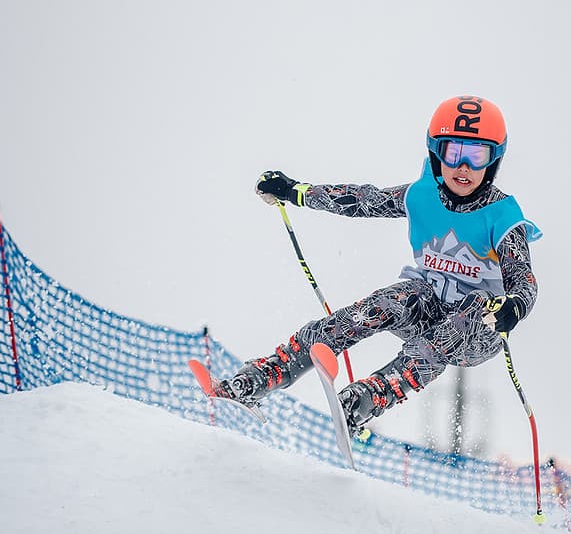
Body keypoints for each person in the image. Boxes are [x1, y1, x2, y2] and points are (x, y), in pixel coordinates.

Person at [214, 95, 542, 436]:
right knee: (392, 300)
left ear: (494, 161)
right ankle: (268, 374)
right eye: (453, 154)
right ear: (436, 154)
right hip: (428, 307)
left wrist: (514, 307)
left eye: (477, 157)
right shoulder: (422, 196)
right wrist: (296, 191)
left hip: (479, 329)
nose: (464, 168)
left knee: (468, 312)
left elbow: (524, 279)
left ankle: (368, 398)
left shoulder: (502, 215)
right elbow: (362, 200)